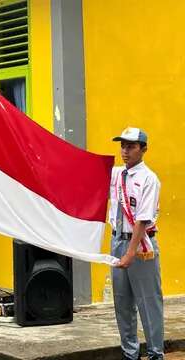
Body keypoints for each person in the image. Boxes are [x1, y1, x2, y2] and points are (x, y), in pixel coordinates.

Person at [110, 127, 163, 360]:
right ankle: (130, 354)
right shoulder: (116, 174)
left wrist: (130, 253)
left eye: (131, 146)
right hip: (117, 242)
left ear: (143, 149)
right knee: (122, 303)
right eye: (122, 145)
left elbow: (142, 220)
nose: (125, 151)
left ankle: (155, 354)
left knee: (148, 302)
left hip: (141, 247)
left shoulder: (149, 179)